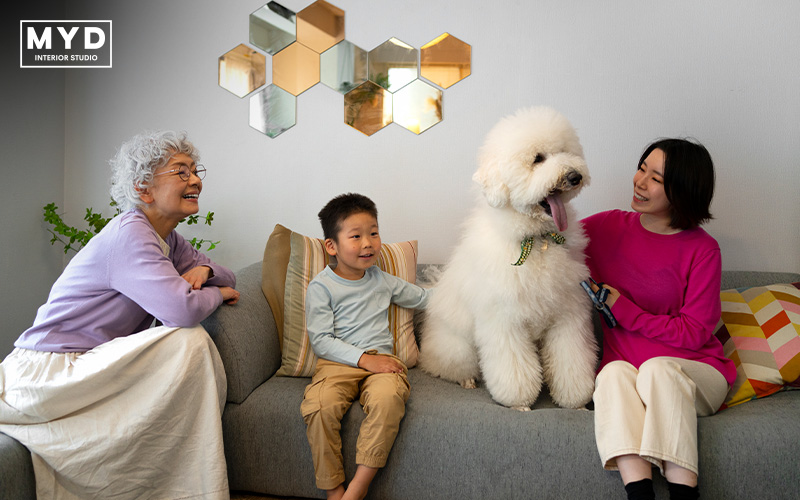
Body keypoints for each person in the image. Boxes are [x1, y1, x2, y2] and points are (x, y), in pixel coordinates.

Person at [0, 131, 239, 500]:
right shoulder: (131, 235)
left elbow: (225, 272)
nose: (195, 180)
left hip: (88, 362)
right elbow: (181, 311)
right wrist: (219, 294)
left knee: (188, 341)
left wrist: (206, 274)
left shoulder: (168, 239)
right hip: (50, 370)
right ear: (144, 188)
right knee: (188, 340)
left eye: (195, 170)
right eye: (180, 172)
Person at [582, 138, 736, 500]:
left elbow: (696, 332)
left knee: (657, 369)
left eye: (656, 178)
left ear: (682, 191)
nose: (640, 181)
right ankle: (639, 494)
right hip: (629, 373)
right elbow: (550, 240)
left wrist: (625, 311)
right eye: (641, 168)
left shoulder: (702, 249)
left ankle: (685, 494)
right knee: (611, 374)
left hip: (696, 372)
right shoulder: (606, 228)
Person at [301, 193, 432, 500]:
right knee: (319, 406)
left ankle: (357, 489)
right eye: (356, 236)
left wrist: (470, 293)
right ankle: (335, 491)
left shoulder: (382, 280)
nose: (368, 243)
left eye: (374, 233)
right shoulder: (321, 287)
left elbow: (425, 298)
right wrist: (363, 360)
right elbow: (321, 340)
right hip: (337, 364)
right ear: (331, 246)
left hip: (383, 362)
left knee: (389, 400)